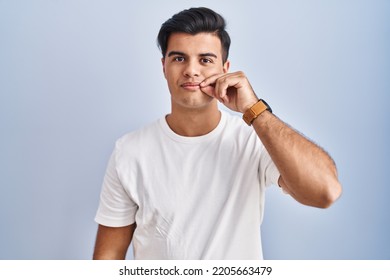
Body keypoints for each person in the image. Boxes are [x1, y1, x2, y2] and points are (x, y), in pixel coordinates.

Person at [93, 7, 342, 260]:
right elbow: (108, 255)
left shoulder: (253, 141)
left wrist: (255, 110)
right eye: (179, 58)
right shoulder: (130, 150)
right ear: (164, 67)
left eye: (205, 60)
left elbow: (325, 192)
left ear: (225, 69)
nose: (191, 70)